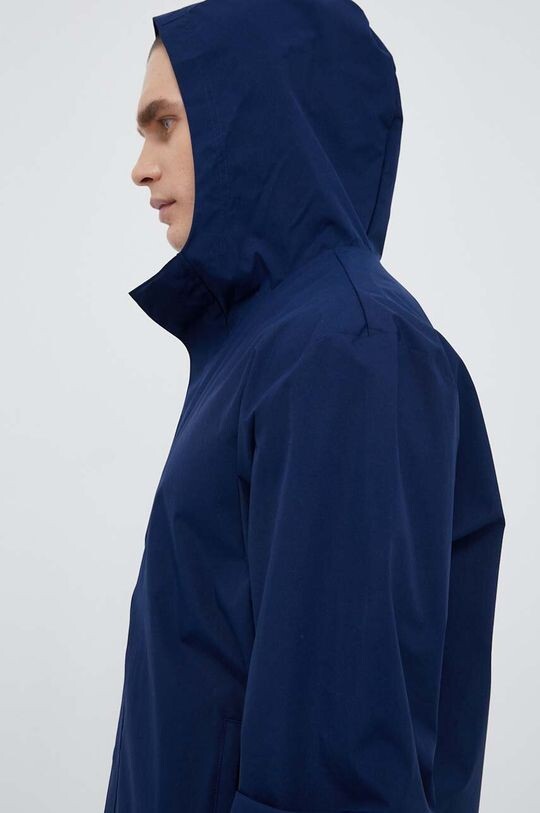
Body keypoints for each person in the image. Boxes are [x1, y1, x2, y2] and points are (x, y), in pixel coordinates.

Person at [104, 2, 506, 812]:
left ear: (255, 115)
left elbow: (336, 766)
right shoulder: (273, 347)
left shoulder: (345, 350)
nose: (141, 168)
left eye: (165, 124)